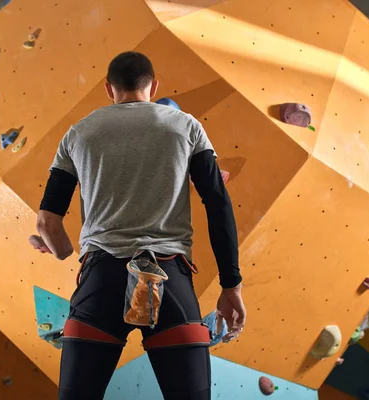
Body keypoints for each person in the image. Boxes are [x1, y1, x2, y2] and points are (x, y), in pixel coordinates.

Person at [33, 51, 246, 400]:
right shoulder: (186, 127)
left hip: (100, 279)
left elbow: (46, 220)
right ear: (154, 85)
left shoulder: (79, 134)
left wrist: (64, 252)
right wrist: (231, 285)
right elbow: (218, 204)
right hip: (170, 280)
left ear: (108, 88)